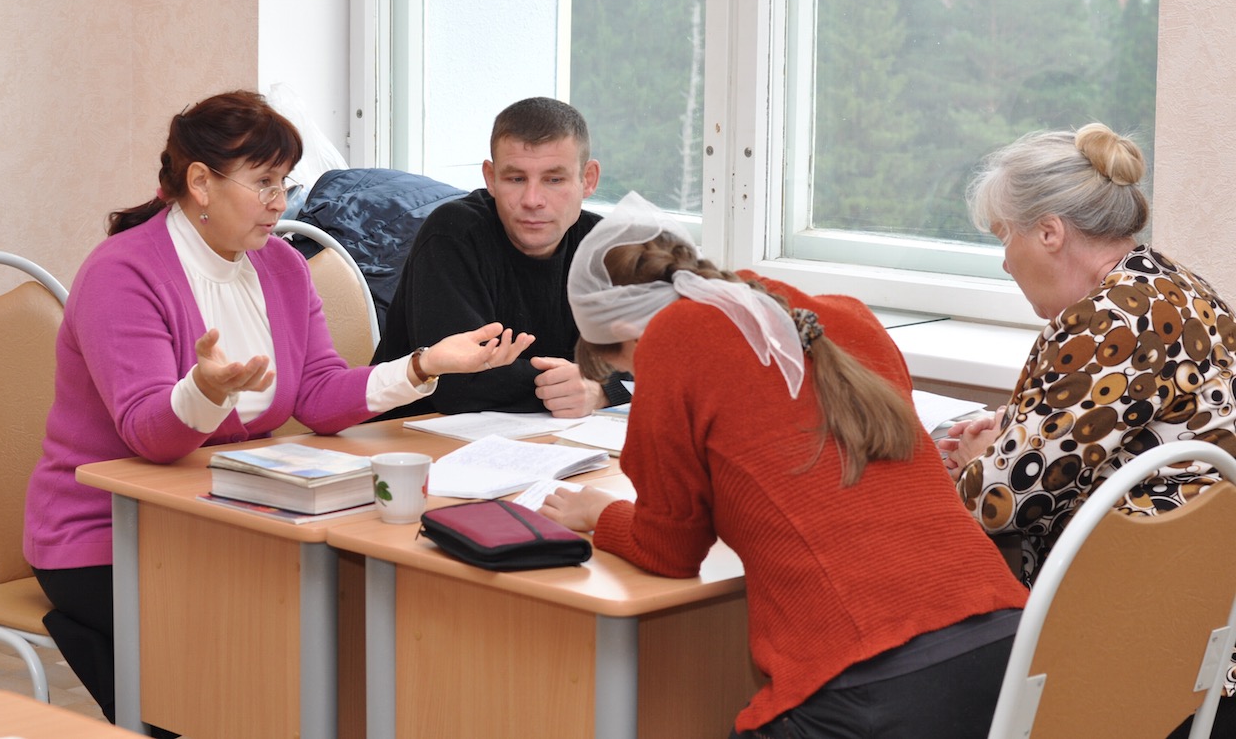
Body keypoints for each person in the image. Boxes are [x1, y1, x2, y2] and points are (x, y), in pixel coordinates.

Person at [22, 90, 533, 731]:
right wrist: (201, 393)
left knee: (357, 611)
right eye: (264, 182)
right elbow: (147, 434)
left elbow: (317, 395)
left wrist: (423, 365)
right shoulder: (122, 274)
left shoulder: (284, 268)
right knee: (268, 643)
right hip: (103, 536)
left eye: (284, 183)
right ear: (201, 183)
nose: (280, 202)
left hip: (228, 520)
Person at [538, 192, 1028, 739]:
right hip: (1010, 645)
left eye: (625, 368)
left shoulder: (673, 337)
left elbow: (668, 551)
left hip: (874, 677)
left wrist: (601, 514)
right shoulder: (848, 318)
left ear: (629, 335)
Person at [936, 123, 1236, 737]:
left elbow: (999, 501)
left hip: (1140, 653)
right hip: (1203, 626)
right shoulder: (1173, 287)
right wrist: (1007, 442)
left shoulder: (1110, 324)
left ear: (1049, 232)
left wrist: (979, 460)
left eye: (1004, 236)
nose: (1002, 259)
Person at [371, 96, 631, 418]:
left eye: (554, 179)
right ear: (491, 178)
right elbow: (458, 384)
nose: (533, 200)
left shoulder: (605, 246)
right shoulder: (452, 234)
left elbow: (650, 361)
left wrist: (599, 390)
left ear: (587, 179)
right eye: (516, 179)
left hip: (545, 442)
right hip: (410, 441)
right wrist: (586, 382)